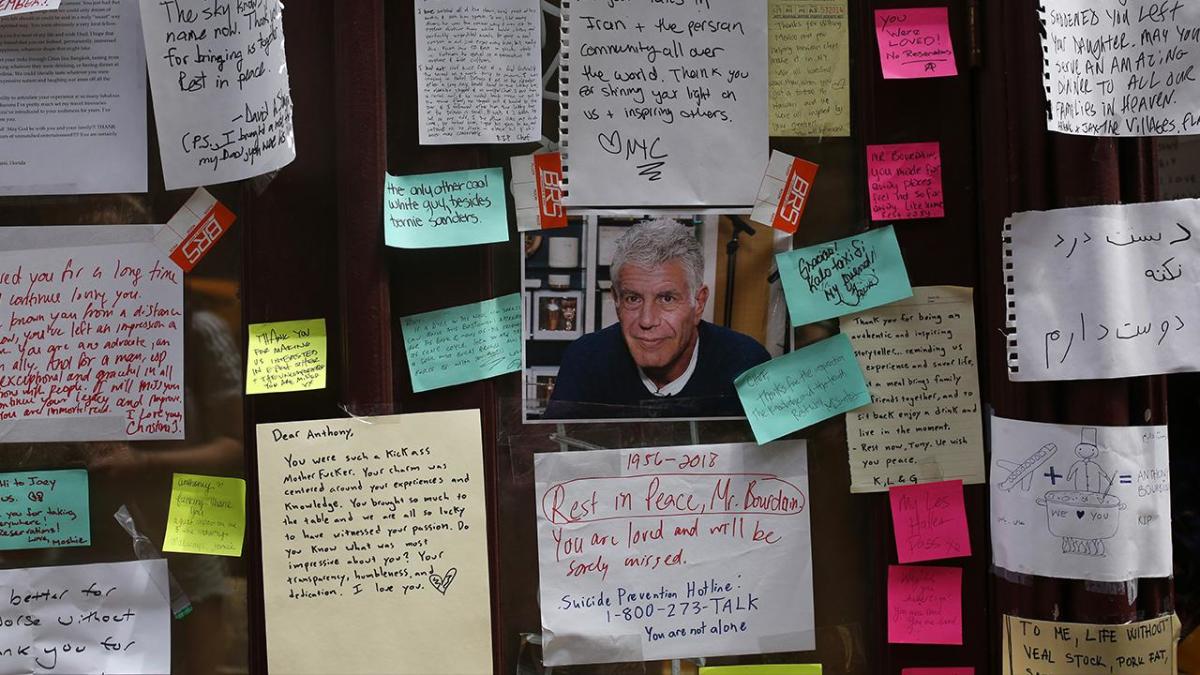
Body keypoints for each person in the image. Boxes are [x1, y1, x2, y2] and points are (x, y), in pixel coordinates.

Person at [545, 219, 770, 419]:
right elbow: (552, 456)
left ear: (698, 303)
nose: (647, 320)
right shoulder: (585, 360)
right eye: (633, 298)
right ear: (615, 300)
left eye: (667, 298)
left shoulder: (747, 364)